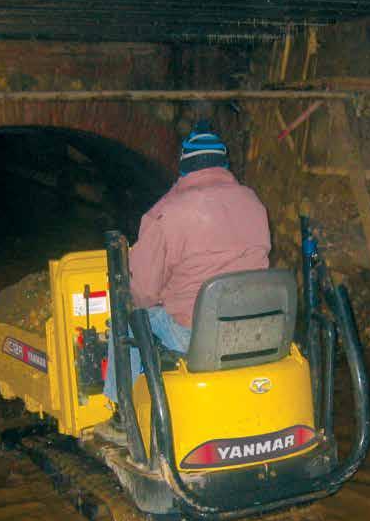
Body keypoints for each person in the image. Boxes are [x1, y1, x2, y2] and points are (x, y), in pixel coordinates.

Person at [102, 122, 271, 418]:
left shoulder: (167, 214)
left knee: (126, 316)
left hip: (193, 334)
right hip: (253, 327)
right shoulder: (253, 202)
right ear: (223, 164)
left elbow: (141, 292)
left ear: (183, 168)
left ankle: (122, 410)